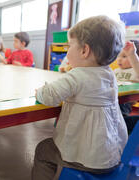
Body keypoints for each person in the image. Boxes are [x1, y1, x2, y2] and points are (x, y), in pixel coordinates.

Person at [32, 16, 128, 180]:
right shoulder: (109, 74)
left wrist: (40, 91)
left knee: (43, 150)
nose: (67, 51)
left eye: (69, 46)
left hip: (84, 158)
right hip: (112, 154)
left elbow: (49, 96)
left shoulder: (77, 75)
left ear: (84, 51)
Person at [115, 40, 139, 134]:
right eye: (118, 56)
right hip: (112, 100)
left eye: (124, 56)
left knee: (121, 121)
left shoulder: (135, 70)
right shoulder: (116, 71)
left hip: (124, 103)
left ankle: (127, 124)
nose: (119, 59)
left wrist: (132, 55)